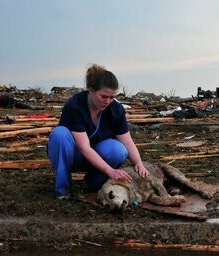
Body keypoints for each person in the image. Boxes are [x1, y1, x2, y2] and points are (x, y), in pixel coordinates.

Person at [47, 64, 149, 200]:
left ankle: (92, 182)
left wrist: (138, 163)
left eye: (112, 97)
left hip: (96, 156)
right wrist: (110, 171)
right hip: (73, 155)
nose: (108, 101)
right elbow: (84, 148)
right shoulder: (75, 106)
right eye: (103, 96)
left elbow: (127, 142)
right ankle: (63, 189)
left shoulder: (115, 109)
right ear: (91, 90)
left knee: (119, 150)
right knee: (60, 134)